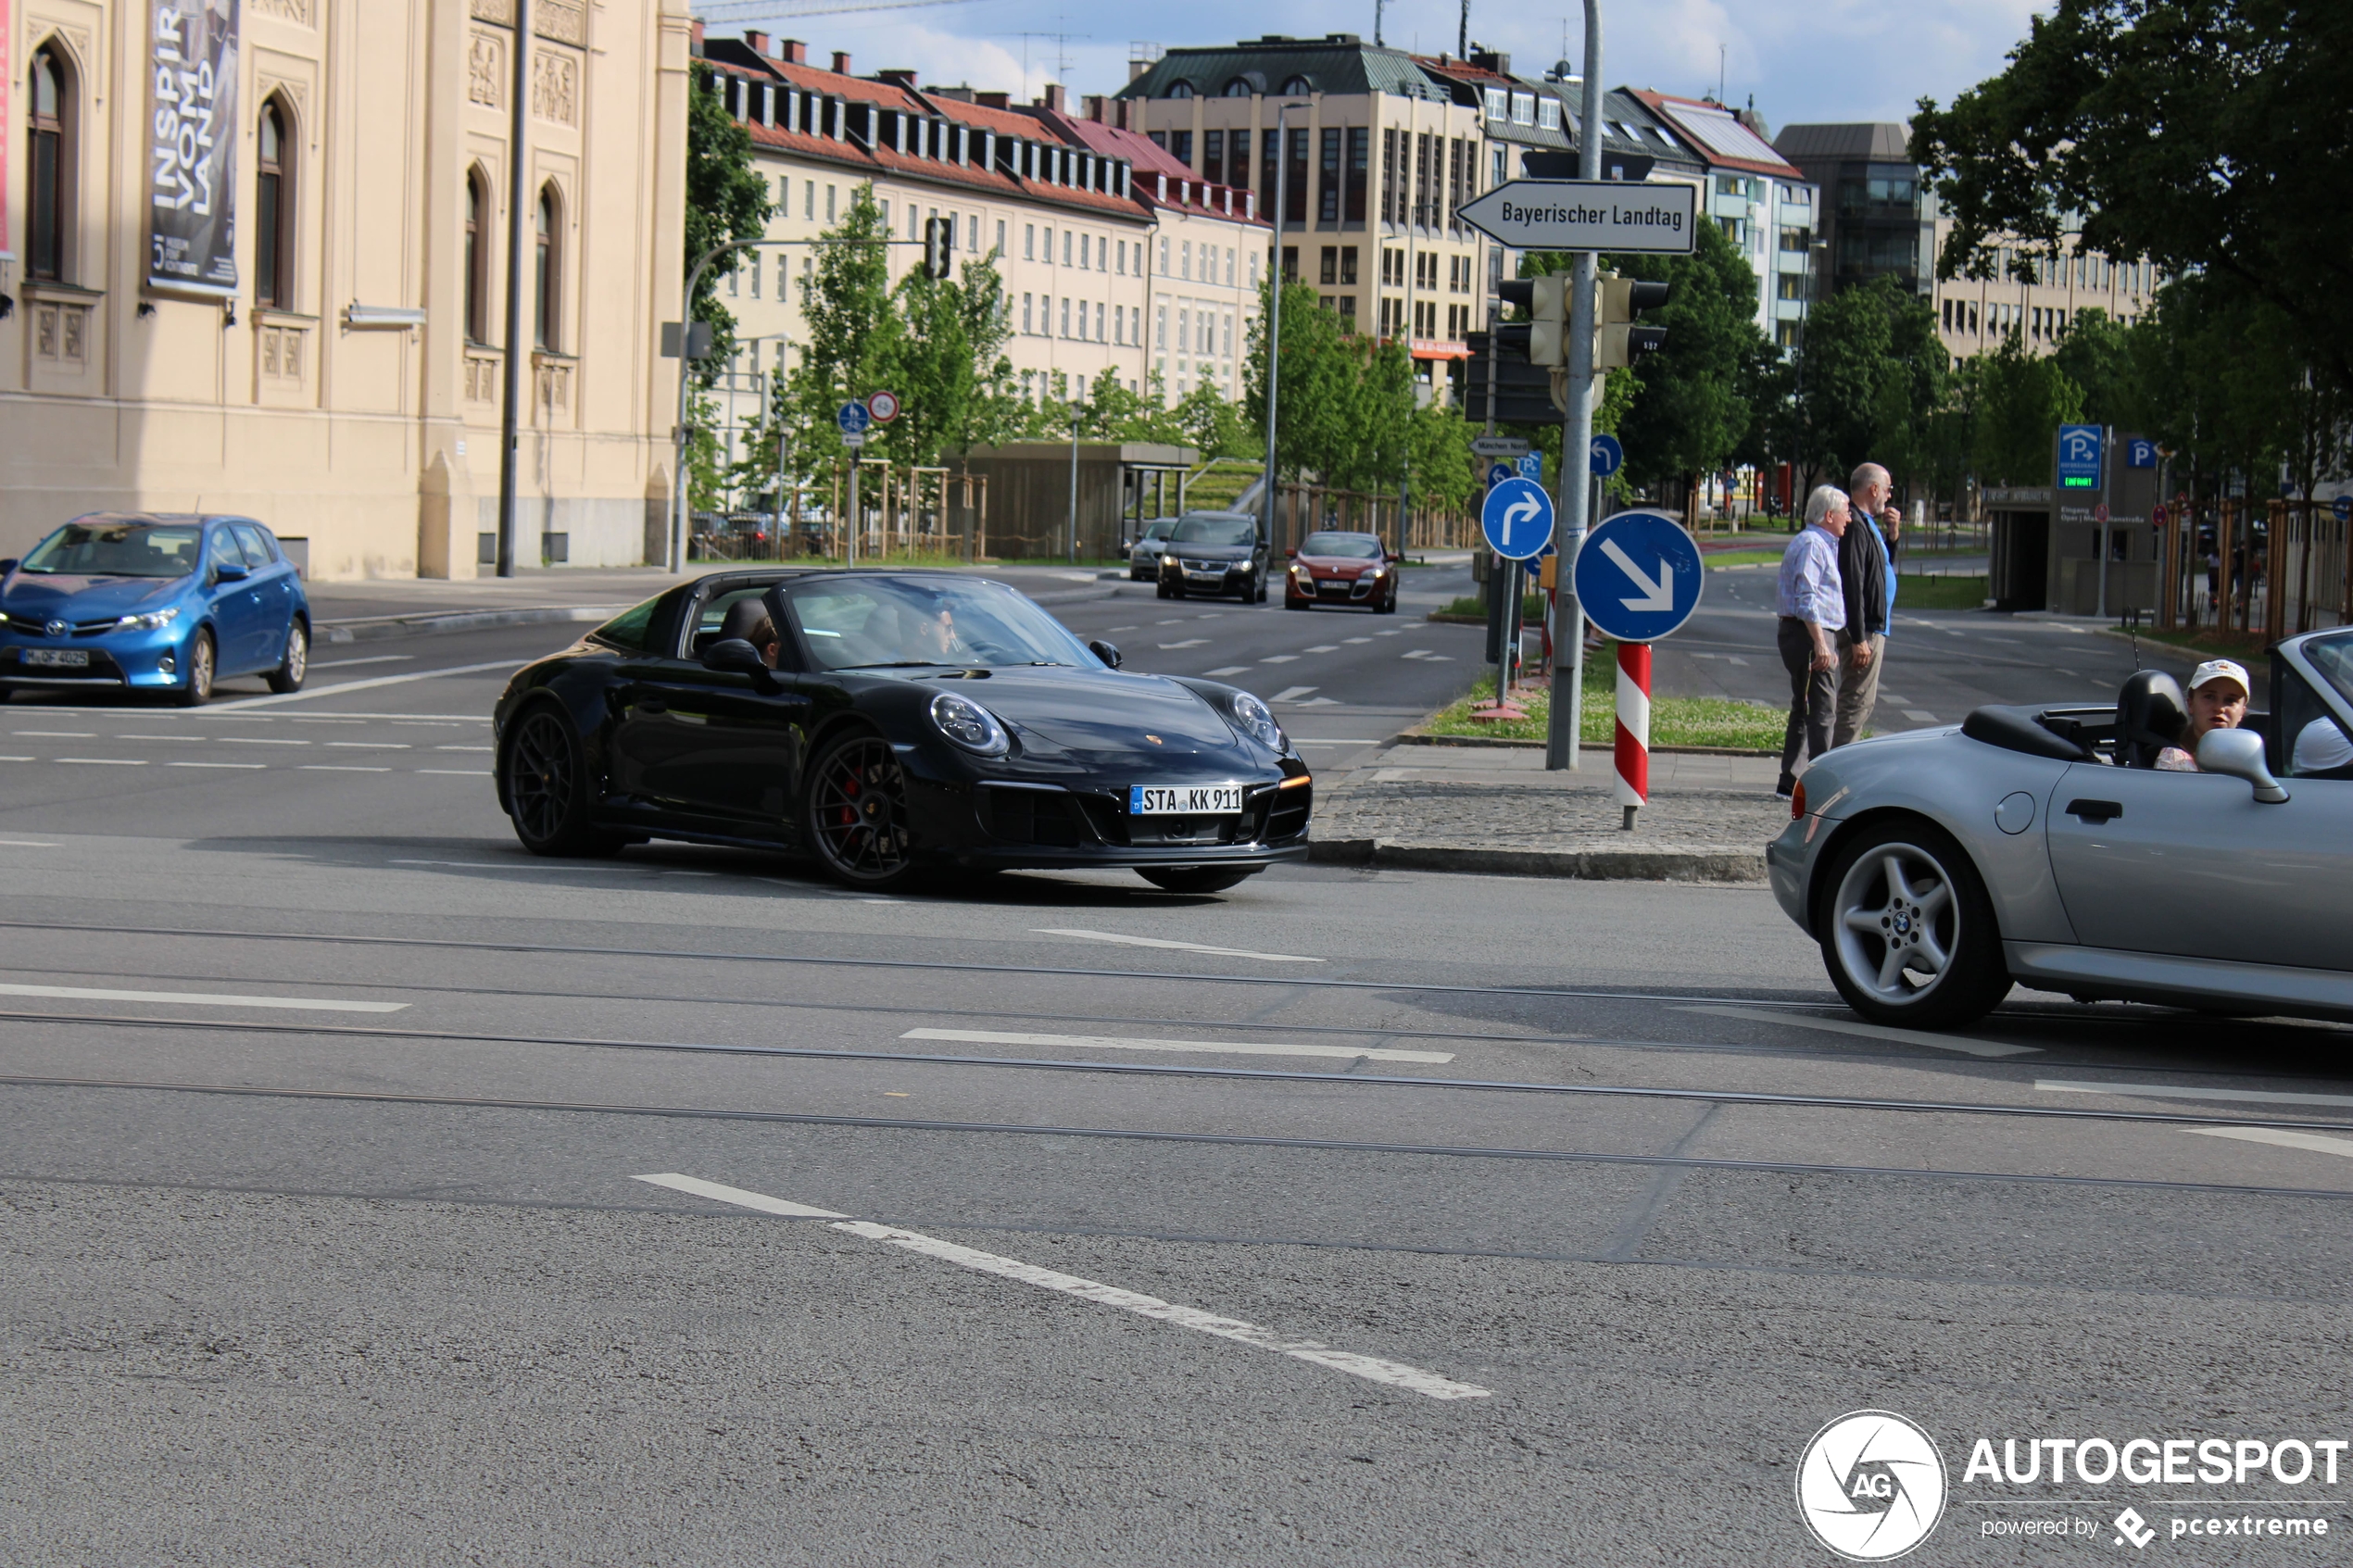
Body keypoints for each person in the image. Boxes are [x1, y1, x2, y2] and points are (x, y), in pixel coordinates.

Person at [1775, 484, 1849, 798]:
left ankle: (1791, 780)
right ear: (1829, 514)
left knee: (1805, 707)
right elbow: (1807, 598)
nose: (1848, 518)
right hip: (1808, 633)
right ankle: (1822, 785)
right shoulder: (1812, 545)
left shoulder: (1818, 543)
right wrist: (1820, 643)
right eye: (1845, 512)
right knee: (1822, 709)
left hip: (1804, 631)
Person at [1831, 462, 1900, 748]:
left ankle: (1838, 768)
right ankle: (1836, 773)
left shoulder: (1866, 523)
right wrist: (1859, 638)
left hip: (1873, 627)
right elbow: (1853, 582)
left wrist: (1892, 537)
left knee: (1861, 702)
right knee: (1856, 703)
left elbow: (1878, 570)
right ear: (1874, 489)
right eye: (1887, 489)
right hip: (1866, 629)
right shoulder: (1855, 524)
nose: (1889, 496)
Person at [2155, 659, 2250, 771]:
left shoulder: (2249, 758)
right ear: (2191, 704)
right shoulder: (2175, 761)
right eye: (2209, 697)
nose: (2219, 708)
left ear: (2242, 713)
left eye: (2230, 700)